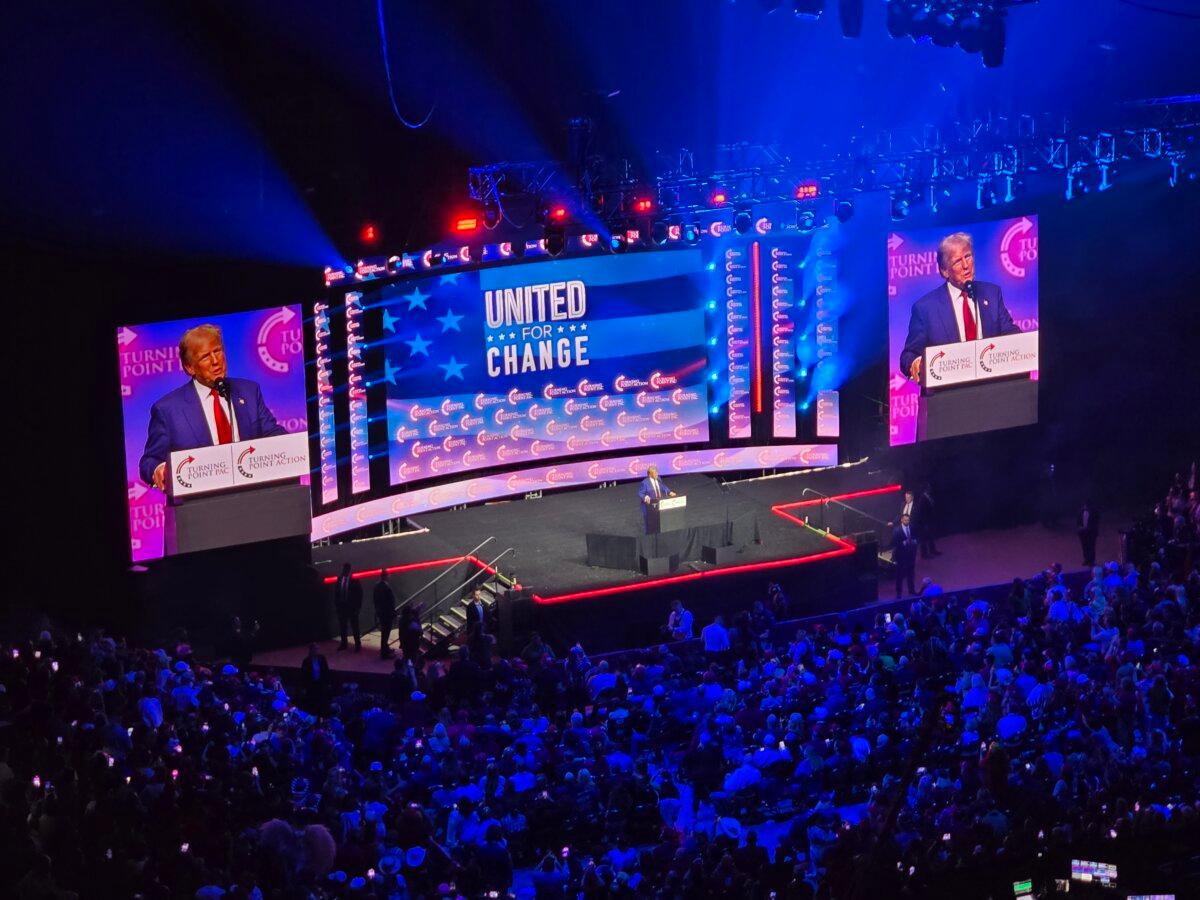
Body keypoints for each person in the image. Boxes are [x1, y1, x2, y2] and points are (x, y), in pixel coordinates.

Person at [138, 323, 288, 491]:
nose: (215, 361)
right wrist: (158, 469)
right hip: (200, 505)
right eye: (205, 357)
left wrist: (291, 449)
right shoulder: (168, 410)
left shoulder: (249, 392)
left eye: (217, 351)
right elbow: (149, 461)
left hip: (253, 496)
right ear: (189, 367)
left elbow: (273, 434)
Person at [899, 232, 1022, 382]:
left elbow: (1010, 332)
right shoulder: (925, 308)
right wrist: (915, 362)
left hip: (992, 388)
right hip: (948, 395)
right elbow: (908, 355)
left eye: (968, 256)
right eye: (957, 261)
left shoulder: (991, 294)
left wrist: (1022, 346)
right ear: (944, 271)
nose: (966, 266)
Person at [638, 465, 677, 533]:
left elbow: (663, 486)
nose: (657, 474)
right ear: (650, 474)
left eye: (657, 472)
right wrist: (645, 497)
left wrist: (669, 492)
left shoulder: (658, 479)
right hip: (649, 506)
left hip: (659, 503)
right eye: (655, 473)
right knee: (650, 523)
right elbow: (640, 493)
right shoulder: (645, 483)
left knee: (660, 520)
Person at [334, 563, 363, 652]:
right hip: (342, 607)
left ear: (348, 570)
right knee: (343, 626)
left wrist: (358, 608)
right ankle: (344, 644)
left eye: (344, 569)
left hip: (352, 608)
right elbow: (336, 594)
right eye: (342, 569)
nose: (342, 571)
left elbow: (360, 595)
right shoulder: (339, 579)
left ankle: (358, 645)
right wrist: (337, 606)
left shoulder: (355, 580)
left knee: (355, 627)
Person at [891, 513, 919, 599]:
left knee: (911, 573)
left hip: (911, 555)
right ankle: (899, 592)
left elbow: (916, 536)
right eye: (905, 520)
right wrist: (903, 543)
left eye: (908, 520)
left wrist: (915, 541)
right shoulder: (896, 530)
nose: (907, 521)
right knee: (899, 575)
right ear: (902, 520)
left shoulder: (912, 527)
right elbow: (895, 542)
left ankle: (911, 589)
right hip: (901, 556)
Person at [373, 568, 396, 659]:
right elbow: (389, 602)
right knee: (386, 633)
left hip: (382, 613)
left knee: (384, 632)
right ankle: (384, 652)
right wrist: (392, 612)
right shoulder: (386, 587)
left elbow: (375, 600)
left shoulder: (377, 586)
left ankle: (385, 648)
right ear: (386, 576)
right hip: (387, 614)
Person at [915, 483, 940, 557]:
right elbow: (922, 512)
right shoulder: (923, 498)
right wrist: (924, 523)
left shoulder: (928, 497)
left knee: (930, 536)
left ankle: (932, 550)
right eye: (929, 487)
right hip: (924, 522)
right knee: (924, 537)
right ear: (926, 488)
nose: (930, 488)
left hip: (929, 520)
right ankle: (924, 554)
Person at [1078, 500, 1100, 567]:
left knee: (1091, 546)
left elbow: (1096, 522)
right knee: (1084, 546)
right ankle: (1086, 560)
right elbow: (1078, 521)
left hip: (1091, 533)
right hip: (1083, 532)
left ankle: (1092, 561)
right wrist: (1079, 528)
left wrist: (1089, 528)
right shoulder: (1080, 511)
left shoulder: (1094, 512)